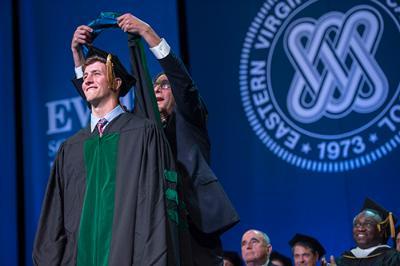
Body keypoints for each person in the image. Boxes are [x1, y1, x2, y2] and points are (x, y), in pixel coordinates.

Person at [71, 13, 239, 265]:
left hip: (193, 227)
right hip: (149, 228)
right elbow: (101, 110)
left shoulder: (190, 120)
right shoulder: (137, 127)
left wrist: (147, 32)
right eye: (154, 86)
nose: (158, 89)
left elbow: (183, 83)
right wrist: (78, 55)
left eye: (164, 85)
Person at [33, 45, 180, 265]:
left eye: (97, 73)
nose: (87, 80)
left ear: (116, 83)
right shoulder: (70, 148)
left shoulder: (143, 134)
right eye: (85, 75)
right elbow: (53, 219)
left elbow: (154, 210)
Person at [334, 198, 400, 266]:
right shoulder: (343, 259)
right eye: (357, 224)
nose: (360, 228)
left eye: (368, 224)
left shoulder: (393, 258)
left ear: (381, 231)